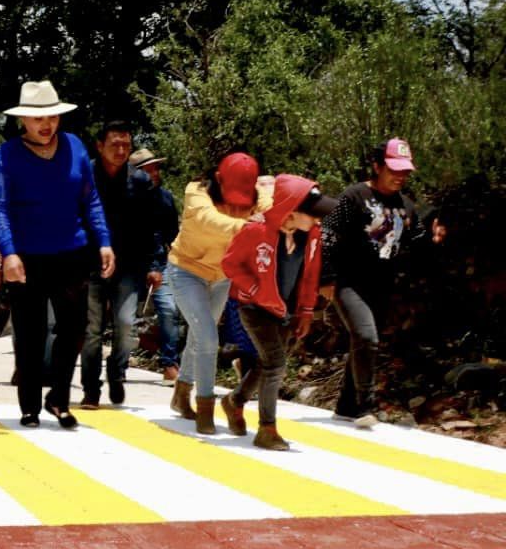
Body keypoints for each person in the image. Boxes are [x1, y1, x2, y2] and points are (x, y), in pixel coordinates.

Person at [0, 81, 113, 429]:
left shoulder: (74, 147)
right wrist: (8, 254)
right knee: (30, 333)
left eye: (52, 117)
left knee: (75, 328)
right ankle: (29, 405)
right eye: (37, 118)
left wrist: (103, 240)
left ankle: (58, 397)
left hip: (71, 253)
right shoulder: (8, 155)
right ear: (23, 121)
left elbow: (90, 199)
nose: (46, 124)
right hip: (26, 256)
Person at [320, 139, 446, 428]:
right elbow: (326, 234)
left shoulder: (405, 205)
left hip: (381, 286)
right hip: (348, 282)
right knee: (366, 337)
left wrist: (434, 238)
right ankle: (367, 406)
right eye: (393, 169)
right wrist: (325, 277)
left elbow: (416, 242)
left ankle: (346, 406)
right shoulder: (355, 196)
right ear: (377, 166)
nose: (400, 176)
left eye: (404, 171)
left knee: (361, 342)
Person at [221, 178, 337, 449]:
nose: (318, 220)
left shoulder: (312, 235)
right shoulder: (255, 230)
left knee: (266, 363)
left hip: (286, 309)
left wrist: (306, 311)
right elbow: (230, 264)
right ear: (291, 209)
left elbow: (310, 275)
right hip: (253, 307)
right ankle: (267, 430)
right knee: (275, 363)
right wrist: (254, 289)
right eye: (313, 214)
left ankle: (234, 402)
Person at [165, 153, 268, 434]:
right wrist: (254, 226)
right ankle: (205, 408)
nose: (237, 203)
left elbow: (277, 210)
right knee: (209, 338)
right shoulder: (195, 193)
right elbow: (212, 221)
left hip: (222, 276)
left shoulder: (259, 197)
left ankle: (181, 393)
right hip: (186, 271)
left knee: (201, 336)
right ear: (218, 179)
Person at [80, 123, 158, 408]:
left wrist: (154, 264)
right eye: (115, 144)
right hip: (89, 264)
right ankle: (90, 387)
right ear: (100, 145)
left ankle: (117, 371)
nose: (121, 151)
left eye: (126, 145)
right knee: (91, 331)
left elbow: (152, 227)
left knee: (126, 325)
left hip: (128, 267)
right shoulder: (83, 175)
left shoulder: (140, 181)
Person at [129, 148, 183, 382]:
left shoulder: (165, 198)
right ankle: (119, 361)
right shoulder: (123, 198)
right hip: (128, 264)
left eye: (156, 168)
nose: (154, 173)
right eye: (147, 169)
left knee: (169, 310)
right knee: (123, 316)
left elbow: (173, 233)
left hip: (160, 263)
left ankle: (169, 362)